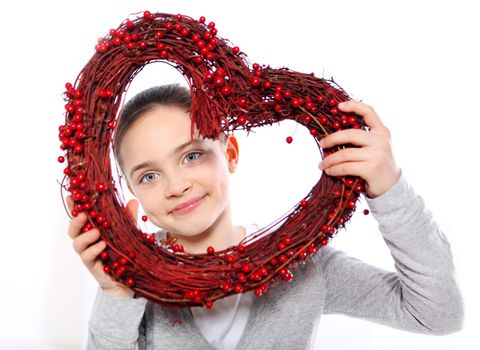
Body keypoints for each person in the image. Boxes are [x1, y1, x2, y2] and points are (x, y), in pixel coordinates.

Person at [67, 83, 464, 349]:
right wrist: (117, 294)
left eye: (191, 156)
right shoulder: (136, 279)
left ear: (231, 155)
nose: (176, 186)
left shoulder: (304, 265)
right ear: (132, 192)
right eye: (149, 175)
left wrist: (388, 187)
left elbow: (437, 313)